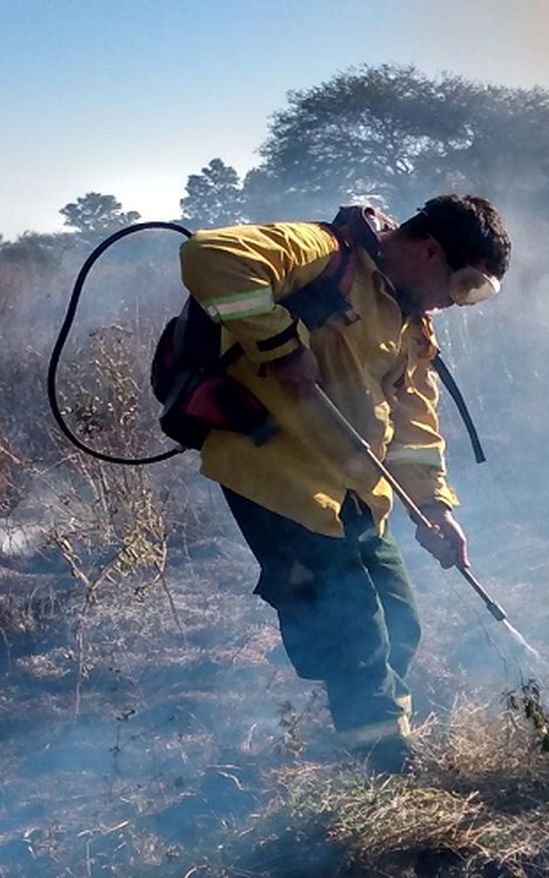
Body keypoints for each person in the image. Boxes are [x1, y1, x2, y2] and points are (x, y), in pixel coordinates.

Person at [178, 194, 511, 772]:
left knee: (399, 623)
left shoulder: (412, 323)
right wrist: (280, 344)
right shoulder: (327, 253)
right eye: (461, 285)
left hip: (357, 491)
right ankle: (385, 770)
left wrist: (434, 506)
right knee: (353, 630)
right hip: (281, 479)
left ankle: (373, 727)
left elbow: (413, 423)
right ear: (429, 251)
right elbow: (211, 255)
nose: (455, 303)